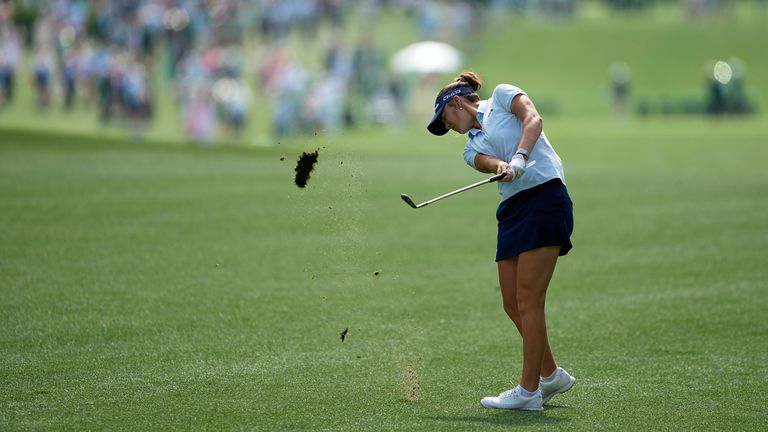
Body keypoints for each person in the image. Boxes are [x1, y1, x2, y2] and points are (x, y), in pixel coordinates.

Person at [426, 71, 575, 411]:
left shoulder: (504, 97)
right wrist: (503, 165)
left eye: (443, 118)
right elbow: (487, 162)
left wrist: (521, 156)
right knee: (511, 302)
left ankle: (528, 391)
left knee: (528, 300)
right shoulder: (469, 149)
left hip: (544, 197)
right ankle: (551, 375)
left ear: (457, 102)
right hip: (512, 211)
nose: (445, 125)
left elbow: (533, 120)